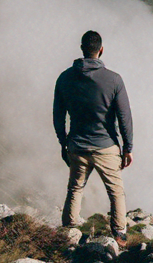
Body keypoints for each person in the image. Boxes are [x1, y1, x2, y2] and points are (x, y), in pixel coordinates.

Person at [53, 30, 133, 248]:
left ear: (81, 49)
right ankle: (119, 234)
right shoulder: (114, 80)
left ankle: (69, 233)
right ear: (101, 50)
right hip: (106, 146)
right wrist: (128, 147)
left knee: (75, 188)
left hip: (77, 145)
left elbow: (58, 115)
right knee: (115, 191)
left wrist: (64, 143)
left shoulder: (64, 78)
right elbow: (124, 116)